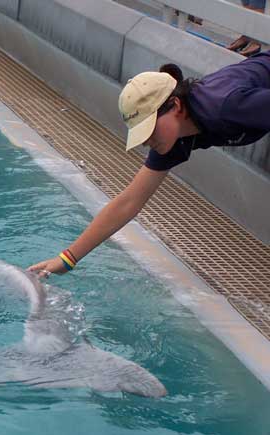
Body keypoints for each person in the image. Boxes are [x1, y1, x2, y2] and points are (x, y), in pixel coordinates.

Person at [28, 52, 270, 278]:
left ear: (175, 106)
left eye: (150, 129)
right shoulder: (174, 136)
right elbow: (128, 202)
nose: (147, 141)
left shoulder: (226, 107)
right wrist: (67, 259)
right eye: (142, 135)